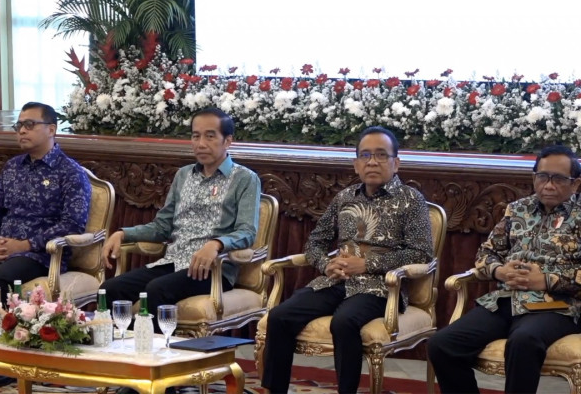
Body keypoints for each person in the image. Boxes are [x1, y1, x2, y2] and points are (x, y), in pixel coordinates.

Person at [261, 126, 433, 394]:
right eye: (365, 155)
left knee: (344, 322)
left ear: (396, 163)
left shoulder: (412, 200)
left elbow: (421, 253)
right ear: (356, 164)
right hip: (336, 281)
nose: (372, 162)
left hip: (381, 288)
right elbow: (315, 242)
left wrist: (368, 264)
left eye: (381, 155)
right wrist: (326, 264)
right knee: (280, 316)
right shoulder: (344, 198)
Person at [428, 144, 581, 394]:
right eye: (543, 177)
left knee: (523, 341)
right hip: (506, 300)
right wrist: (500, 271)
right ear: (534, 178)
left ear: (575, 184)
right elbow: (485, 254)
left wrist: (546, 280)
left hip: (557, 306)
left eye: (559, 179)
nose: (549, 185)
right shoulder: (517, 209)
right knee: (441, 344)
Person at [100, 107, 260, 330]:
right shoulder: (183, 175)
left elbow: (247, 232)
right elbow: (162, 227)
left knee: (157, 290)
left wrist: (216, 244)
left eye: (210, 136)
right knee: (110, 289)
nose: (201, 143)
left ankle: (154, 350)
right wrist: (123, 233)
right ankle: (118, 347)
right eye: (195, 136)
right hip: (173, 262)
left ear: (227, 141)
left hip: (211, 270)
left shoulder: (245, 178)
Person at [0, 101, 91, 387]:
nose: (22, 131)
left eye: (30, 125)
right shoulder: (12, 167)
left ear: (51, 129)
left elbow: (72, 224)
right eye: (19, 125)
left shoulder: (70, 172)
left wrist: (24, 245)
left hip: (40, 255)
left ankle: (3, 361)